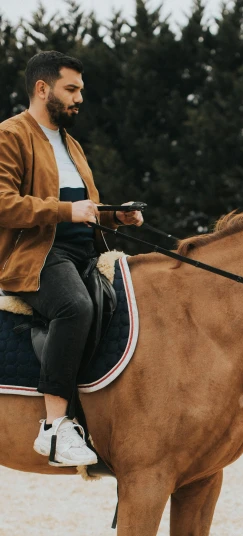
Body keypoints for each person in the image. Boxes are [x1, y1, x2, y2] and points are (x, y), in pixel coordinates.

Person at [0, 50, 143, 466]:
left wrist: (115, 216)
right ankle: (55, 427)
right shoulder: (11, 134)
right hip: (36, 254)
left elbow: (84, 208)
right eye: (72, 89)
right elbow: (4, 202)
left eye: (81, 90)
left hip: (85, 251)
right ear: (43, 89)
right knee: (74, 306)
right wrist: (65, 211)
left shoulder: (72, 144)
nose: (80, 98)